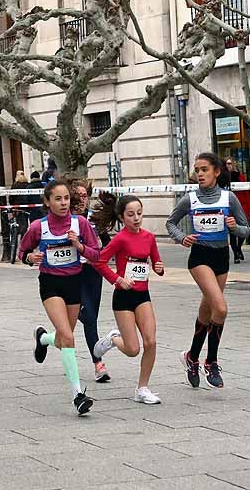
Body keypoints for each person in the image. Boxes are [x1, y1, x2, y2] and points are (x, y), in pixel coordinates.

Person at [166, 152, 250, 389]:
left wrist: (235, 227)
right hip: (200, 256)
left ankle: (191, 357)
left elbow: (246, 230)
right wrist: (182, 237)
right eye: (197, 170)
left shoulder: (229, 198)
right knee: (221, 308)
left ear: (217, 172)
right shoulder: (190, 199)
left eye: (204, 169)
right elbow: (170, 222)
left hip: (222, 257)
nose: (199, 174)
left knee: (207, 312)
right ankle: (211, 362)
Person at [18, 179, 102, 415]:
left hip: (74, 284)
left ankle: (44, 339)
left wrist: (80, 246)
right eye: (58, 198)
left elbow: (97, 255)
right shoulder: (38, 227)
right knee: (68, 336)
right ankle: (78, 395)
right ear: (47, 201)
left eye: (66, 198)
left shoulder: (80, 223)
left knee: (65, 338)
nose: (63, 203)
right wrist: (29, 259)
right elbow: (22, 252)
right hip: (50, 284)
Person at [91, 195, 165, 404]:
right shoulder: (120, 239)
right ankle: (114, 339)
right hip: (123, 297)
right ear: (122, 217)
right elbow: (100, 262)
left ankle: (142, 388)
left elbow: (156, 262)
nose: (136, 218)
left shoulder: (149, 237)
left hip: (143, 295)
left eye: (139, 214)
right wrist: (117, 279)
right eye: (131, 215)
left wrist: (159, 268)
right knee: (133, 350)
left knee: (151, 341)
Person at [68, 177, 113, 383]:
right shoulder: (64, 220)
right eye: (78, 196)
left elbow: (108, 243)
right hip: (73, 273)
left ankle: (46, 337)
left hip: (94, 272)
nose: (82, 200)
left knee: (89, 314)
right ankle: (98, 364)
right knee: (91, 318)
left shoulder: (94, 219)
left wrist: (102, 254)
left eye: (85, 196)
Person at [225, 158, 250, 263]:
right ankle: (236, 254)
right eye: (226, 164)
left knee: (244, 230)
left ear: (234, 164)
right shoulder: (224, 177)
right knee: (232, 232)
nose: (228, 166)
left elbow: (246, 193)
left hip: (242, 206)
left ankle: (238, 248)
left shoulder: (241, 177)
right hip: (229, 207)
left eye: (230, 163)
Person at [2, 170, 30, 262]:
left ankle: (14, 239)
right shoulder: (27, 184)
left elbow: (11, 198)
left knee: (16, 225)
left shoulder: (15, 185)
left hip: (17, 209)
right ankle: (23, 239)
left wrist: (12, 205)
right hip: (25, 209)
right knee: (24, 225)